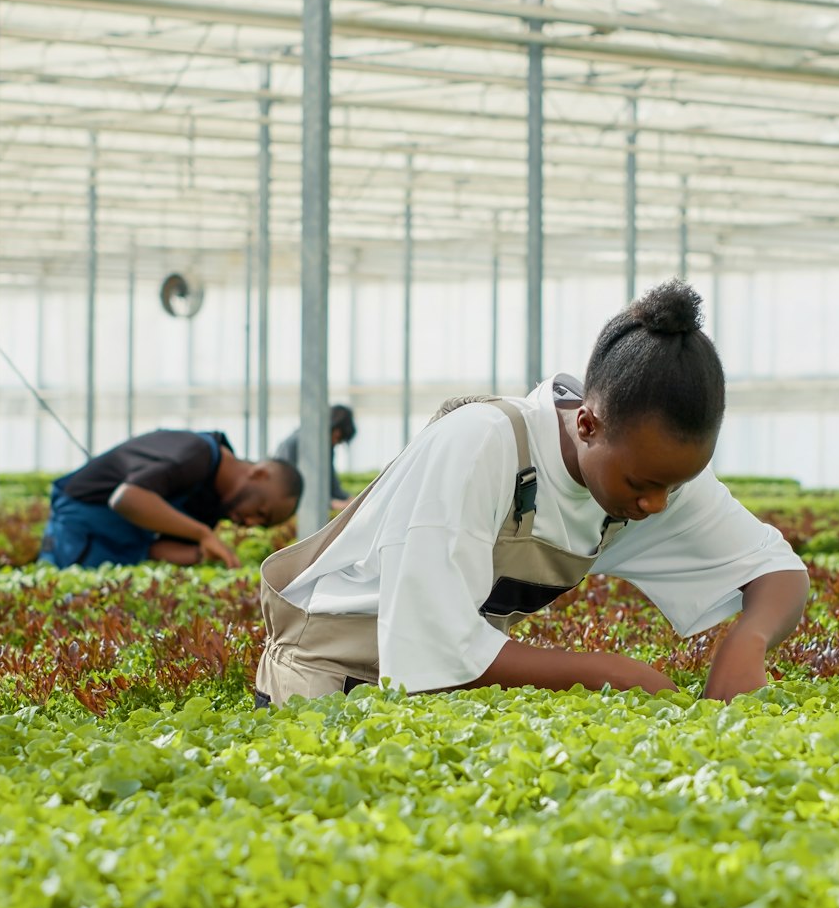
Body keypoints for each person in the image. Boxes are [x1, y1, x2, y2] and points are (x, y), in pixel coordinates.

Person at [254, 280, 809, 707]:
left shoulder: (644, 470)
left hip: (433, 698)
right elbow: (434, 648)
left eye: (675, 485)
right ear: (587, 425)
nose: (657, 506)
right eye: (643, 486)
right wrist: (608, 673)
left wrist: (748, 641)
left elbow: (776, 570)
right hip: (322, 686)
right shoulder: (482, 445)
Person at [40, 429, 303, 569]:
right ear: (258, 474)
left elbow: (155, 551)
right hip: (77, 533)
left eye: (260, 524)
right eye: (261, 511)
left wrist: (203, 554)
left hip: (119, 549)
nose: (250, 522)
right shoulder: (194, 453)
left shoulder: (211, 505)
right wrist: (202, 535)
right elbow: (127, 498)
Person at [274, 404, 356, 509]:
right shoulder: (295, 444)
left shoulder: (327, 449)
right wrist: (331, 503)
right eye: (336, 437)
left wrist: (350, 499)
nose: (335, 442)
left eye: (339, 440)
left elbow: (333, 486)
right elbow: (286, 488)